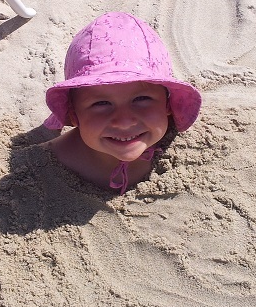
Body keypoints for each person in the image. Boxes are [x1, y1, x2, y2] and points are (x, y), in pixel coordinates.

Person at [42, 11, 202, 194]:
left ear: (167, 105)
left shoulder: (178, 144)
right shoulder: (47, 163)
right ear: (74, 115)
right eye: (101, 103)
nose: (125, 121)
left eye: (142, 99)